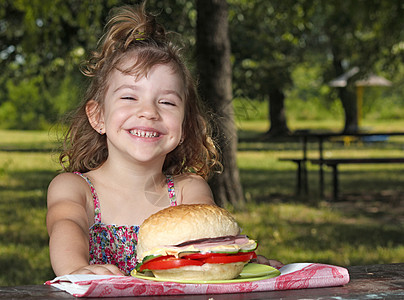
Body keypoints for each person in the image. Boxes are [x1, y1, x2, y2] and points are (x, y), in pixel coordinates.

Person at [47, 2, 282, 277]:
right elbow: (66, 225)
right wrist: (76, 268)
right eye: (129, 97)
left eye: (167, 102)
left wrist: (236, 260)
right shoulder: (75, 188)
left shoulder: (188, 190)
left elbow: (210, 247)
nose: (148, 112)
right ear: (98, 116)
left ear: (185, 124)